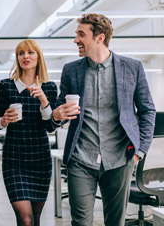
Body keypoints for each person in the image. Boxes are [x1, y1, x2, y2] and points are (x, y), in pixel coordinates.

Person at [51, 13, 156, 226]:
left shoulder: (132, 68)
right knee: (80, 222)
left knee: (115, 222)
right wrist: (56, 116)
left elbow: (147, 111)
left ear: (99, 37)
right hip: (81, 158)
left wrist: (139, 152)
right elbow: (60, 112)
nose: (75, 40)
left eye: (81, 34)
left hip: (119, 159)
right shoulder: (71, 70)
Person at [0, 39, 57, 226]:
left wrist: (43, 99)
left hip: (40, 159)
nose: (25, 57)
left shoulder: (49, 87)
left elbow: (51, 126)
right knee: (25, 218)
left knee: (36, 218)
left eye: (30, 53)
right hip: (14, 159)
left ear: (38, 58)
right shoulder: (6, 86)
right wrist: (4, 120)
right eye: (21, 53)